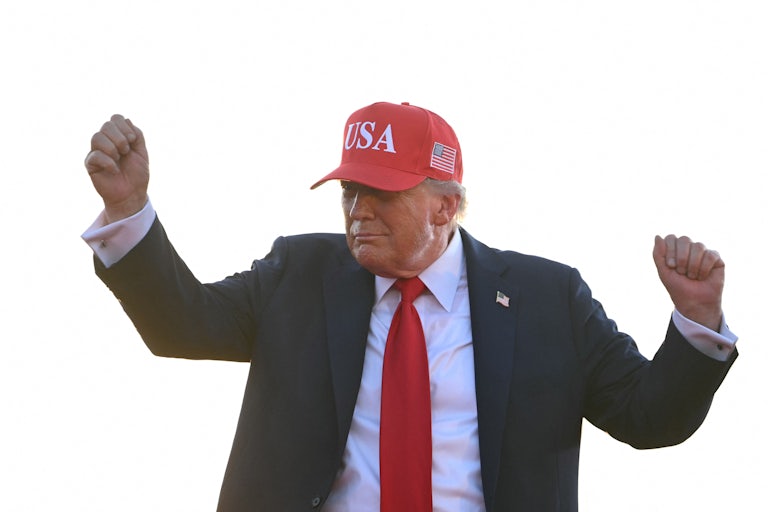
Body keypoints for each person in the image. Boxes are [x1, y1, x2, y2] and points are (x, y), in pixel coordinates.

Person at [82, 102, 737, 512]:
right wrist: (128, 211)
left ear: (445, 206)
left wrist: (697, 322)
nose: (358, 210)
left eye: (381, 193)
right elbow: (182, 324)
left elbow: (650, 417)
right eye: (349, 193)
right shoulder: (299, 273)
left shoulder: (548, 299)